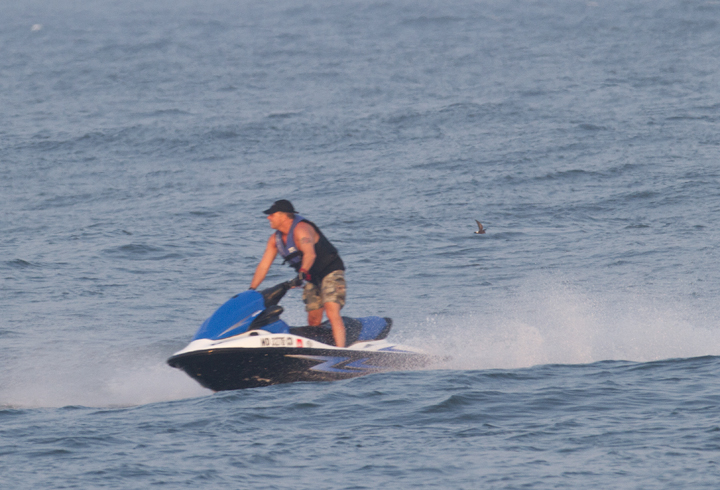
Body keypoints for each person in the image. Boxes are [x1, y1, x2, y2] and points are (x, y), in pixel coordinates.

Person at [249, 200, 348, 347]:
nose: (268, 217)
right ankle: (321, 347)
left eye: (272, 215)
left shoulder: (302, 229)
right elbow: (264, 266)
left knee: (331, 311)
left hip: (330, 271)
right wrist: (252, 289)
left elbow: (310, 254)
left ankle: (341, 351)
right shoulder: (274, 240)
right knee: (313, 319)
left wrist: (302, 272)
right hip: (312, 277)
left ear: (283, 216)